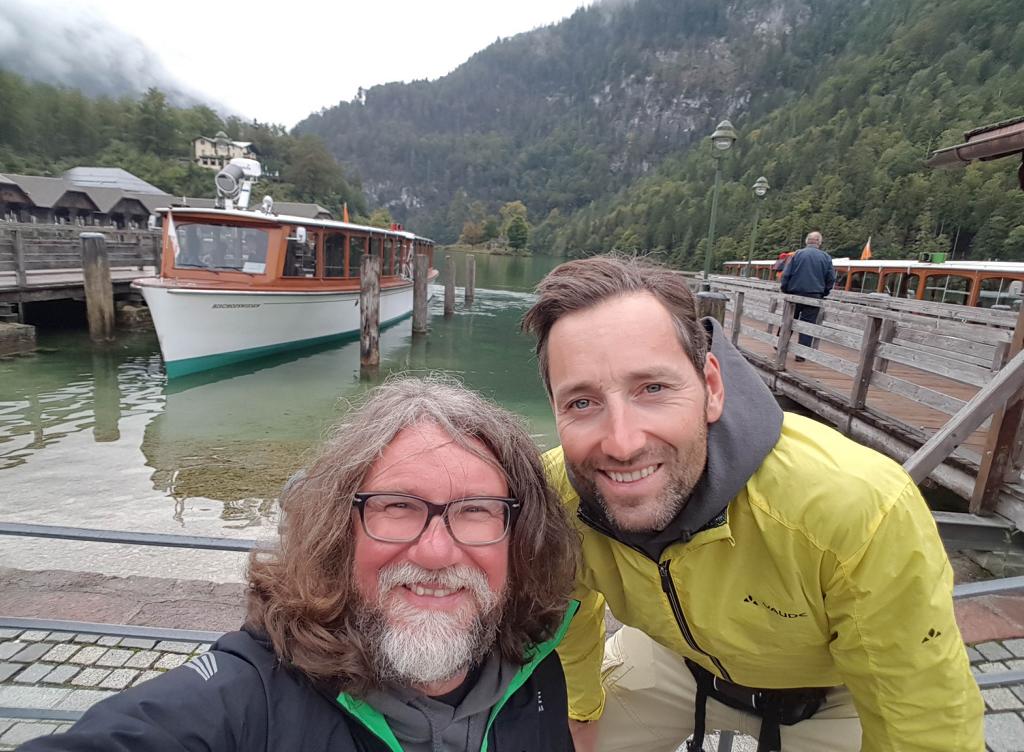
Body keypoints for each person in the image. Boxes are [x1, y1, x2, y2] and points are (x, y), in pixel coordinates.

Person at [521, 255, 983, 752]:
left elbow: (921, 716)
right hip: (676, 665)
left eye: (652, 388)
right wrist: (580, 714)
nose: (622, 443)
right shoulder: (556, 496)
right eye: (582, 403)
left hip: (831, 694)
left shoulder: (857, 508)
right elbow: (564, 615)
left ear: (711, 387)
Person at [20, 377, 579, 752]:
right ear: (339, 529)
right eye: (397, 507)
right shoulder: (249, 703)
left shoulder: (534, 672)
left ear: (519, 536)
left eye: (476, 511)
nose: (435, 552)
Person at [780, 231, 836, 359]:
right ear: (819, 242)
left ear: (807, 241)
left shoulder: (797, 254)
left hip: (794, 293)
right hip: (814, 295)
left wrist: (785, 289)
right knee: (808, 325)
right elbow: (831, 278)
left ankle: (780, 345)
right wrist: (824, 292)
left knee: (788, 320)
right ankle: (801, 354)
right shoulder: (826, 257)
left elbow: (786, 274)